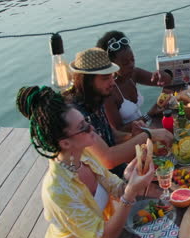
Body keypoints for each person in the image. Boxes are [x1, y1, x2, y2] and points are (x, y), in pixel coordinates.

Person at [16, 86, 155, 238]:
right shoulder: (57, 189)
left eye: (86, 121)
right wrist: (130, 192)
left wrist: (130, 177)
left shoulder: (85, 155)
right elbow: (108, 234)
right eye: (83, 127)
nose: (92, 128)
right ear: (65, 143)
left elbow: (117, 188)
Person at [63, 47, 173, 176]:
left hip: (118, 174)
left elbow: (112, 134)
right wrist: (149, 135)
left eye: (112, 76)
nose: (112, 83)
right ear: (86, 81)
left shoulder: (95, 97)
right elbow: (107, 159)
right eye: (105, 78)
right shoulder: (75, 114)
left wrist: (132, 135)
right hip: (100, 181)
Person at [96, 31, 173, 132]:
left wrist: (164, 75)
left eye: (132, 59)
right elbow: (119, 130)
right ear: (111, 66)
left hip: (144, 129)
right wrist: (149, 115)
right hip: (130, 140)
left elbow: (165, 81)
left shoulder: (133, 74)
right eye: (125, 63)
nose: (131, 65)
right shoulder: (108, 93)